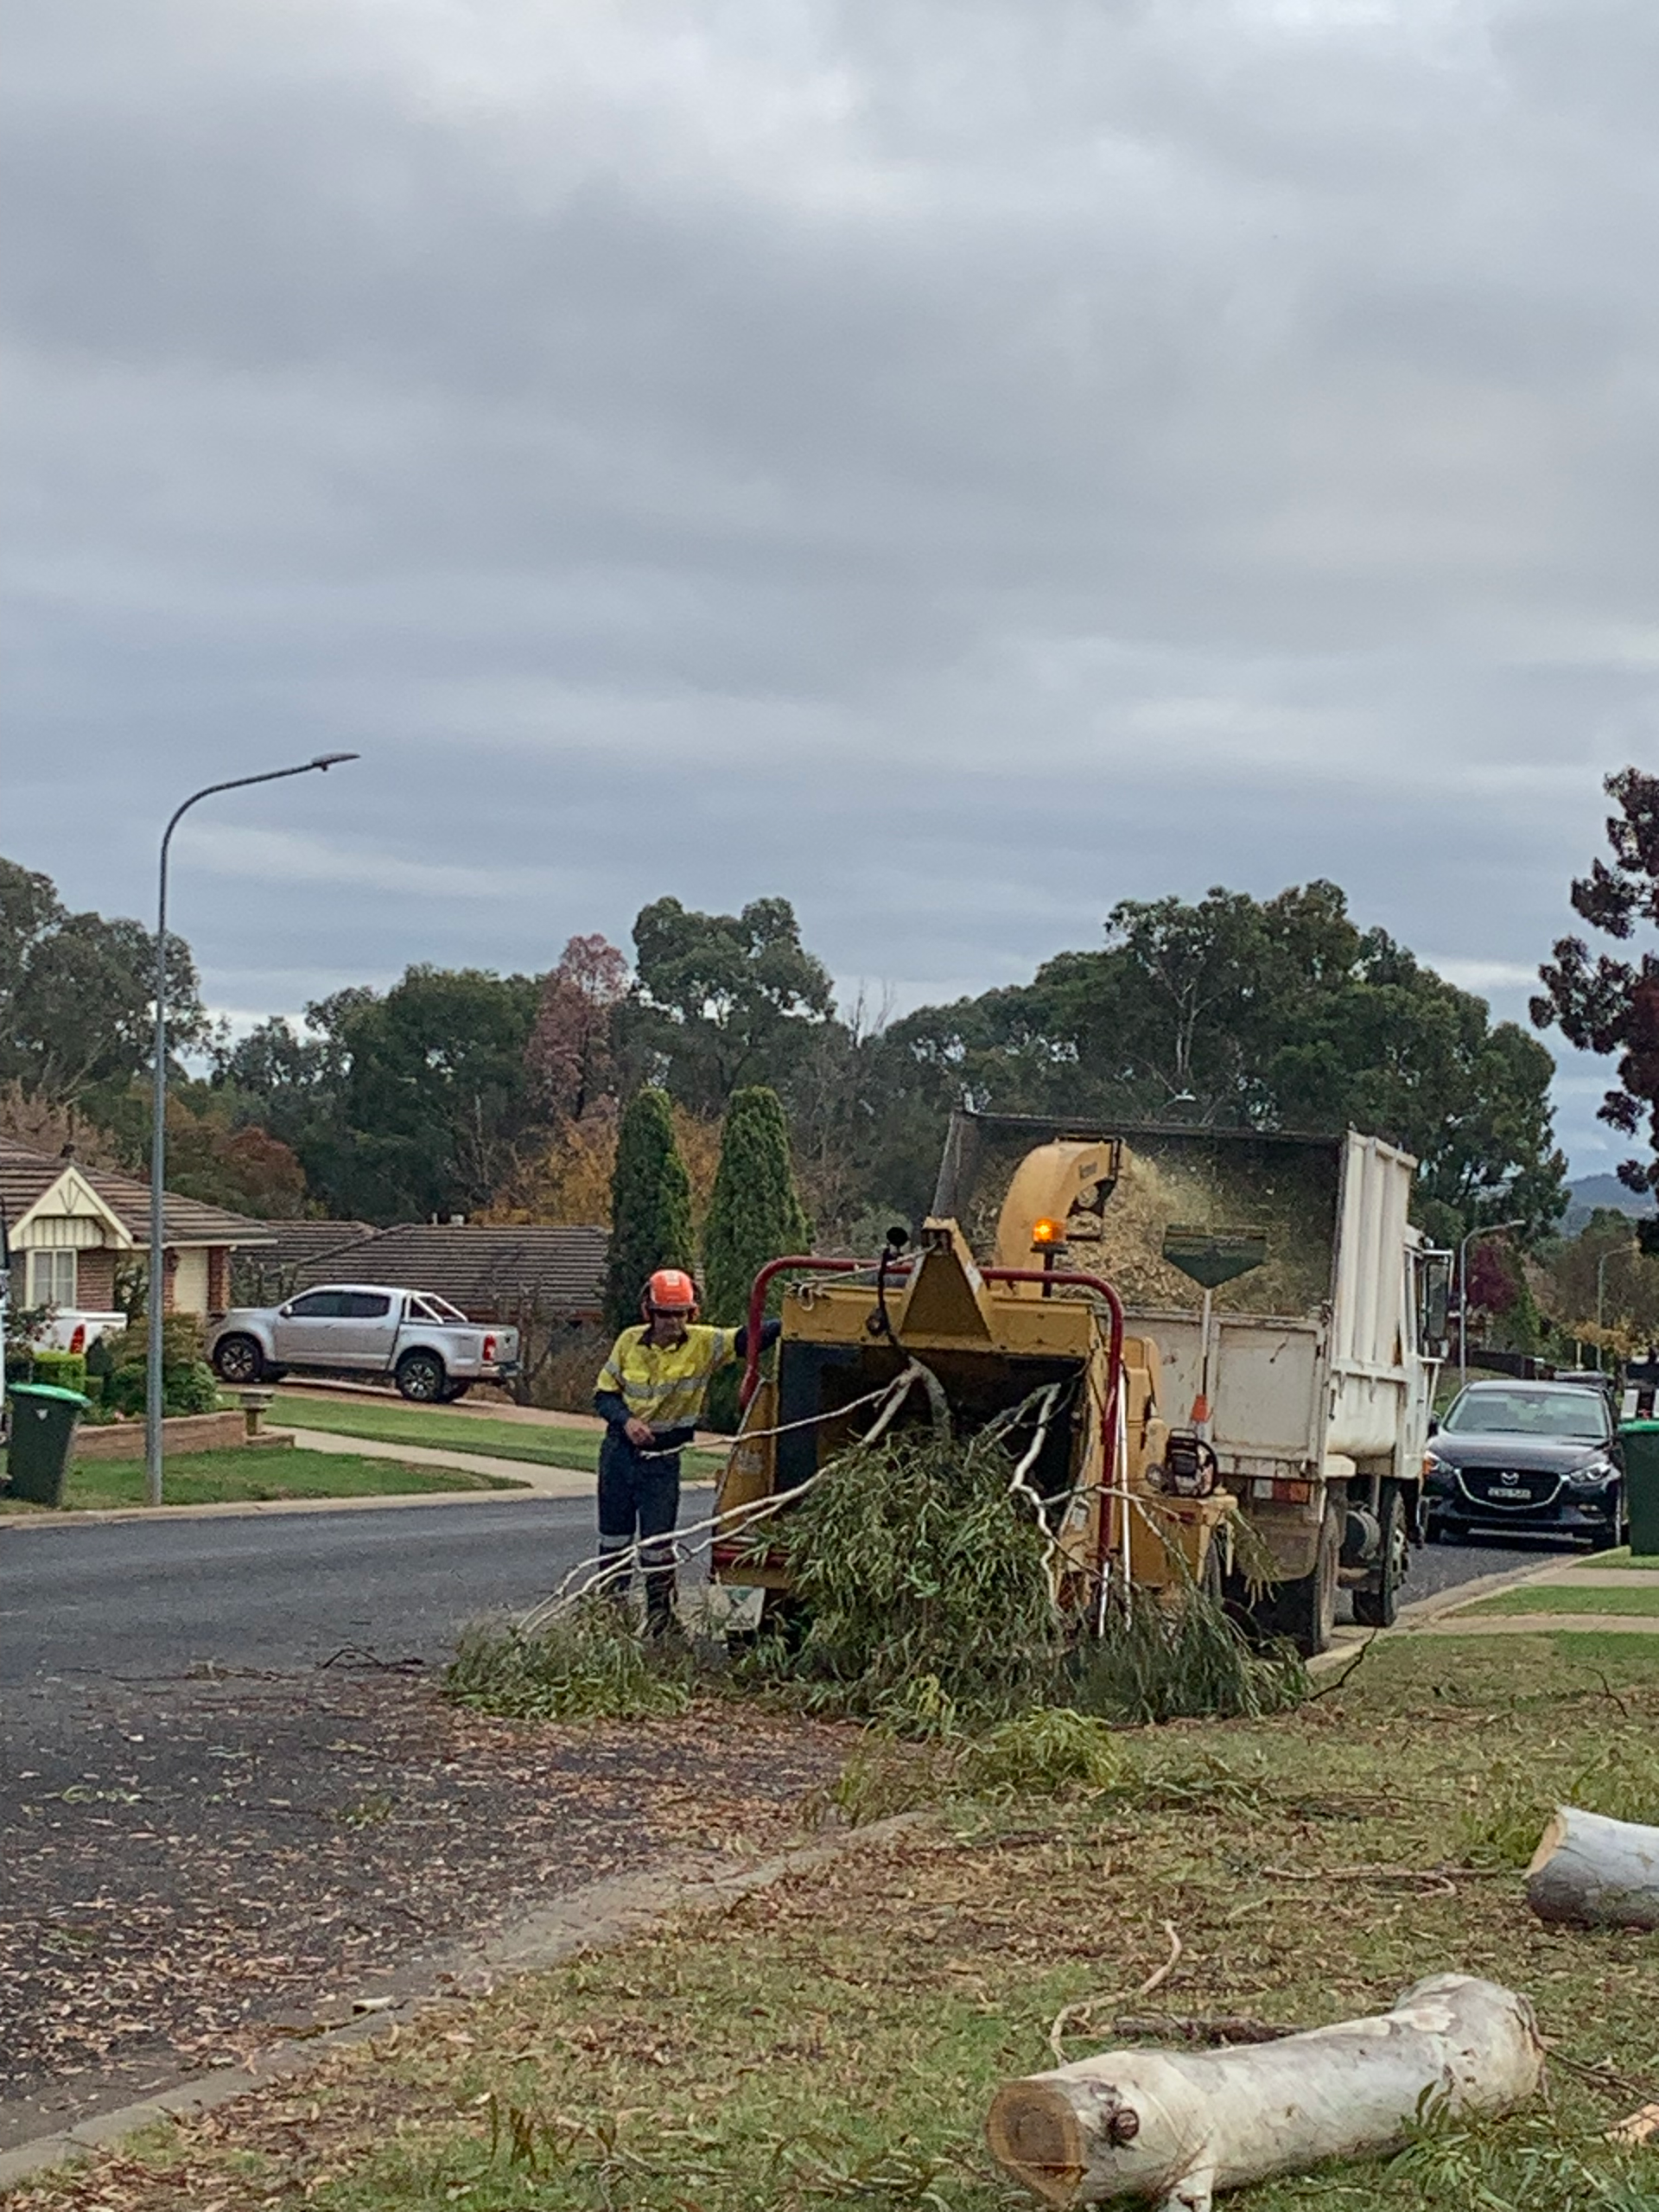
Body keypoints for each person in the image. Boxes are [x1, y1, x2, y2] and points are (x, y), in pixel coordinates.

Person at [592, 1268, 781, 1635]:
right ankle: (610, 1620)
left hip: (662, 1461)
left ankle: (661, 1621)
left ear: (691, 1314)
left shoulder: (703, 1343)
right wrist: (627, 1421)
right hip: (619, 1453)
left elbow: (748, 1338)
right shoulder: (628, 1342)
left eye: (680, 1314)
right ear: (649, 1311)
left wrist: (796, 1318)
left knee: (658, 1545)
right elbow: (603, 1394)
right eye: (665, 1314)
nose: (672, 1322)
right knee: (613, 1540)